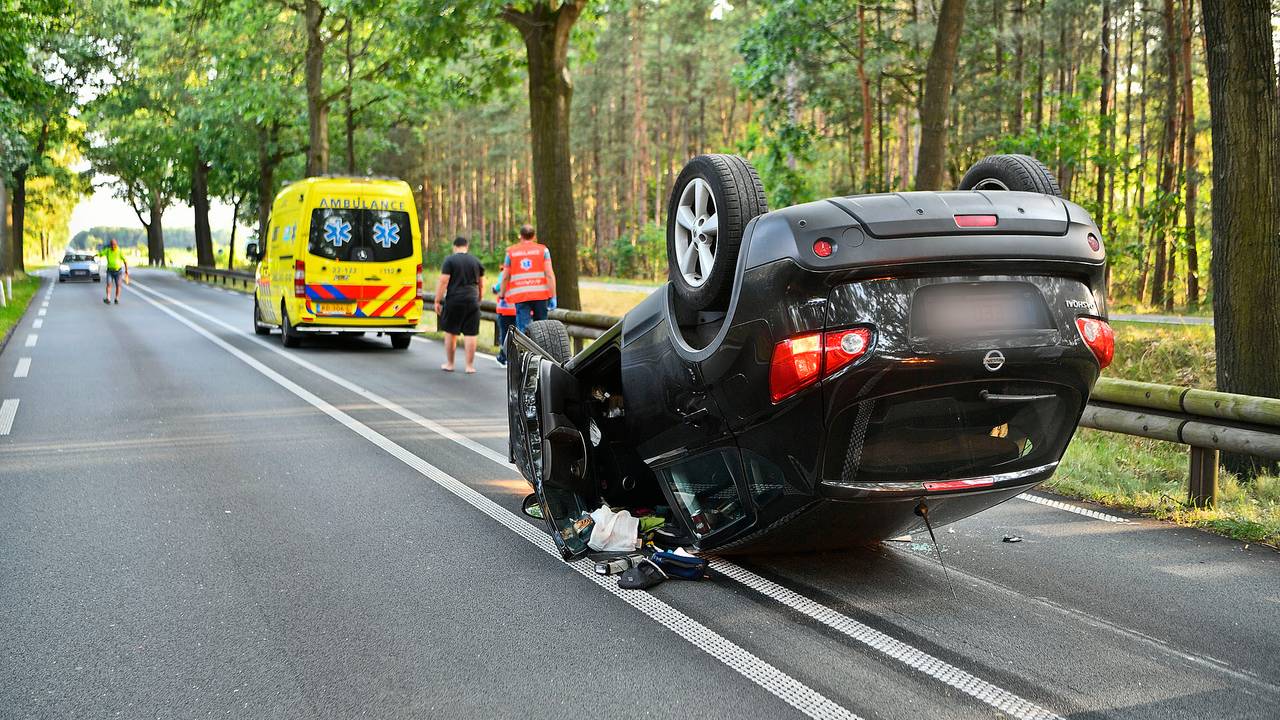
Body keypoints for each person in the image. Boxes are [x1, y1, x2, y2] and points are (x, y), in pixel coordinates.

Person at [434, 236, 484, 373]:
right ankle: (469, 366)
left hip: (454, 300)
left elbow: (444, 281)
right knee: (471, 334)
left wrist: (437, 300)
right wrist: (479, 299)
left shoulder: (450, 260)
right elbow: (481, 284)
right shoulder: (476, 261)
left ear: (454, 247)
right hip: (472, 300)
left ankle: (450, 364)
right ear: (466, 246)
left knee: (451, 332)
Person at [498, 224, 556, 332]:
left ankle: (525, 349)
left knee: (523, 329)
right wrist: (553, 296)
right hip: (540, 295)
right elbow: (549, 274)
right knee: (542, 328)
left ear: (520, 236)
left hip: (520, 295)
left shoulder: (511, 252)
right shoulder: (543, 251)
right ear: (534, 236)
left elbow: (505, 276)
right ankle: (540, 348)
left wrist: (502, 294)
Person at [492, 276, 516, 366]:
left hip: (505, 308)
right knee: (517, 334)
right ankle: (515, 357)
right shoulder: (521, 272)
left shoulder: (505, 272)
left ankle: (504, 356)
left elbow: (498, 287)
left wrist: (494, 288)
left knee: (505, 333)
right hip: (520, 309)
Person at [100, 239, 128, 305]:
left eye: (114, 244)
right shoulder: (107, 251)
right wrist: (95, 255)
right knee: (109, 284)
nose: (113, 246)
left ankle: (116, 298)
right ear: (110, 245)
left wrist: (126, 270)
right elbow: (100, 254)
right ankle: (108, 298)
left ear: (116, 244)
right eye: (112, 244)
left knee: (118, 285)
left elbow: (125, 261)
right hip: (110, 271)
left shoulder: (119, 251)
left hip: (118, 271)